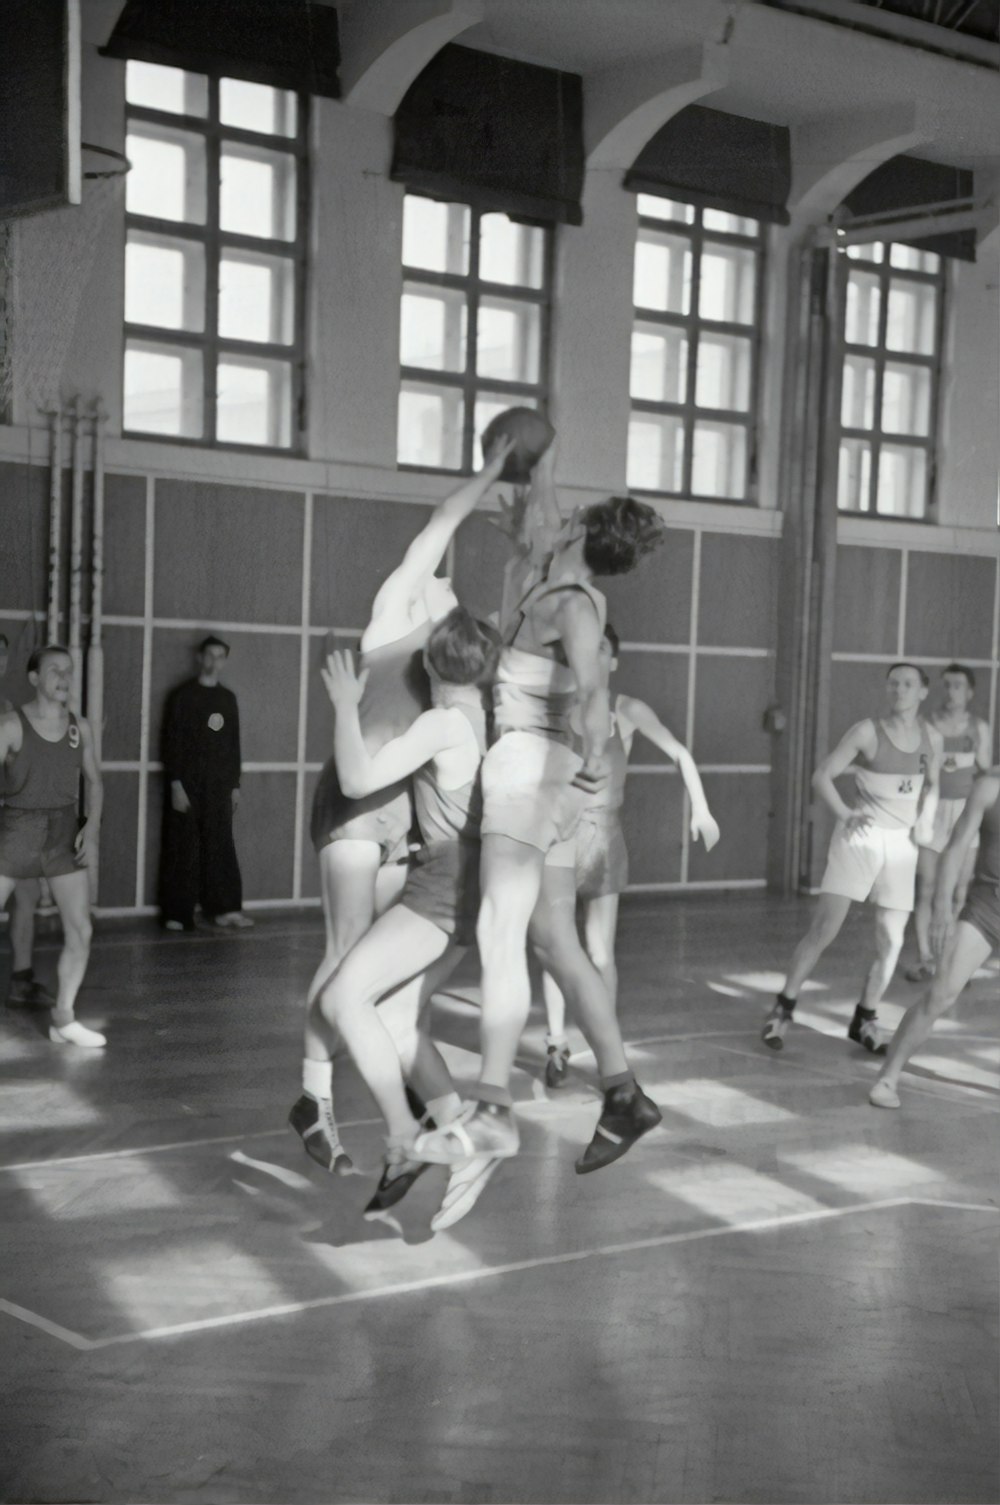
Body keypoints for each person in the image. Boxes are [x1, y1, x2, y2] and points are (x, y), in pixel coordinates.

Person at [415, 492, 666, 1175]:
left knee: (500, 931)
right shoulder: (543, 588)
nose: (560, 511)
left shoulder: (576, 605)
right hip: (537, 769)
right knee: (554, 938)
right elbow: (522, 570)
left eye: (572, 510)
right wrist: (524, 536)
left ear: (582, 529)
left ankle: (493, 1108)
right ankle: (623, 1093)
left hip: (531, 768)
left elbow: (592, 691)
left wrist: (588, 757)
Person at [297, 439, 513, 1173]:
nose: (453, 586)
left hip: (409, 817)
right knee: (348, 953)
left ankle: (439, 1117)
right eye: (442, 578)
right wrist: (491, 471)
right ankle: (315, 1092)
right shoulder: (396, 615)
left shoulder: (454, 681)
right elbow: (441, 521)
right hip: (361, 798)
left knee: (391, 990)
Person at [294, 609, 502, 1232]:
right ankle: (462, 1135)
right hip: (464, 888)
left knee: (342, 999)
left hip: (441, 887)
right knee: (394, 1018)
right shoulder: (485, 720)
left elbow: (357, 779)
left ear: (431, 667)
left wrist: (344, 704)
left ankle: (405, 1132)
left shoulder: (442, 723)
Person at [541, 622, 720, 1085]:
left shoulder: (628, 710)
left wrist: (700, 809)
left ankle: (608, 1045)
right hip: (558, 835)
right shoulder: (556, 708)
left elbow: (679, 753)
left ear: (614, 659)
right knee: (560, 945)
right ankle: (555, 1042)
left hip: (603, 836)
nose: (591, 654)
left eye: (601, 647)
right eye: (582, 645)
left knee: (601, 952)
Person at [761, 663, 942, 1055]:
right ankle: (783, 1009)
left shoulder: (932, 738)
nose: (899, 690)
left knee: (891, 942)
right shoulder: (866, 732)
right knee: (825, 929)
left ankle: (865, 1019)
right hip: (860, 838)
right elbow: (822, 776)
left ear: (923, 692)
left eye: (908, 684)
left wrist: (925, 821)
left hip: (902, 845)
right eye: (893, 683)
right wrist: (845, 814)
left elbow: (933, 785)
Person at [870, 767, 999, 1109]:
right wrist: (942, 906)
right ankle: (888, 1077)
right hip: (989, 907)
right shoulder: (990, 787)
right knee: (940, 994)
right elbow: (956, 846)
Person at [0, 644, 104, 1046]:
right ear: (33, 678)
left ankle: (64, 1018)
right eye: (55, 670)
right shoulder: (10, 725)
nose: (64, 677)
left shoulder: (81, 727)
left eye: (69, 671)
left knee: (81, 929)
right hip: (16, 829)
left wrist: (91, 828)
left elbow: (95, 781)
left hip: (62, 832)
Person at [159, 636, 251, 932]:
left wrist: (234, 785)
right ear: (199, 658)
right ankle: (178, 913)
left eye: (220, 656)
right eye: (209, 655)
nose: (214, 662)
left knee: (220, 845)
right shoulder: (182, 696)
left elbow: (233, 746)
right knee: (182, 848)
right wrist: (175, 784)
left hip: (218, 787)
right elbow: (170, 742)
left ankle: (224, 909)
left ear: (225, 661)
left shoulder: (227, 699)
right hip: (186, 785)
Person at [906, 664, 990, 981]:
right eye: (947, 685)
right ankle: (926, 956)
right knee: (926, 888)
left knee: (959, 892)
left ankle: (949, 961)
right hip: (932, 811)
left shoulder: (978, 728)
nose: (951, 692)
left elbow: (984, 773)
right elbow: (915, 768)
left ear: (969, 692)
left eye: (958, 686)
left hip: (965, 815)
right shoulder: (926, 724)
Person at [0, 633, 52, 1009]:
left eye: (2, 655)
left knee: (28, 893)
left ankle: (20, 979)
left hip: (9, 819)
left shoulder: (6, 710)